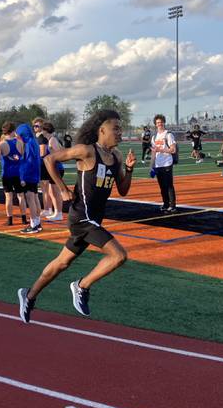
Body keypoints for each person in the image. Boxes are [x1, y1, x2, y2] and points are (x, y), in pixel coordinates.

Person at [17, 109, 136, 323]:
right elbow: (49, 160)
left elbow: (124, 190)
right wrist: (62, 188)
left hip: (94, 220)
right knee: (119, 255)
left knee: (62, 263)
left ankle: (29, 295)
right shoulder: (87, 151)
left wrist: (128, 170)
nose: (120, 132)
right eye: (115, 128)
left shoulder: (117, 156)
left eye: (121, 128)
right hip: (81, 217)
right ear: (102, 130)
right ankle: (81, 286)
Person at [0, 123, 25, 226]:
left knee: (8, 197)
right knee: (21, 196)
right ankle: (24, 219)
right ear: (13, 130)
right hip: (18, 174)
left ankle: (10, 220)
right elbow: (22, 159)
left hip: (7, 174)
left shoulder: (1, 144)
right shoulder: (20, 142)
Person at [16, 123, 43, 233]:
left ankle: (33, 225)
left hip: (29, 175)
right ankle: (37, 222)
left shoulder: (29, 144)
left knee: (30, 199)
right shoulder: (33, 142)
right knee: (35, 199)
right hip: (34, 174)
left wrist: (23, 177)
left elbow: (29, 162)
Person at [151, 114, 176, 212]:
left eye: (161, 122)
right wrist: (151, 166)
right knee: (162, 186)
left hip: (167, 163)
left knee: (169, 185)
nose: (159, 124)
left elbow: (173, 150)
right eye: (157, 123)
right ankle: (165, 204)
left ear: (164, 123)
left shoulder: (168, 134)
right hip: (158, 164)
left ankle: (172, 205)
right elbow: (154, 152)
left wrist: (161, 149)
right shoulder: (154, 137)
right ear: (155, 124)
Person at [42, 121, 65, 220]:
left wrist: (51, 160)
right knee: (52, 191)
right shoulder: (50, 140)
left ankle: (59, 213)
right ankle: (56, 212)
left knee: (56, 192)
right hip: (53, 168)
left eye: (42, 130)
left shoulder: (52, 140)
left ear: (45, 130)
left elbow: (59, 154)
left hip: (57, 168)